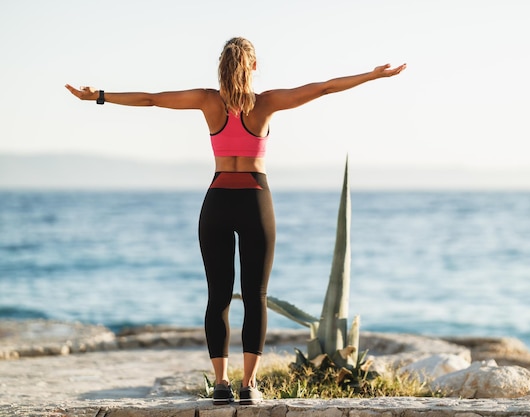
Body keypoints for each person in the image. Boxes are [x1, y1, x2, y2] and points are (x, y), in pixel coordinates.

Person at [66, 36, 405, 405]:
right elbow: (323, 88)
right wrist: (371, 76)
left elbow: (151, 99)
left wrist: (98, 95)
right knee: (255, 297)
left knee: (218, 296)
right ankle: (248, 386)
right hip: (255, 201)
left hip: (217, 202)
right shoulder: (267, 104)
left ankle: (221, 384)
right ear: (254, 66)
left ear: (221, 67)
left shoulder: (207, 101)